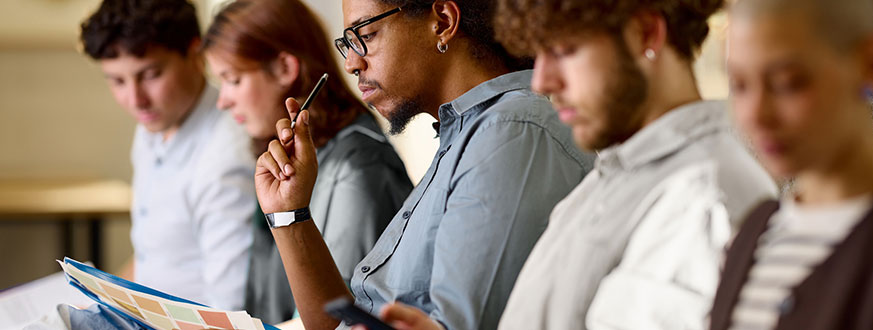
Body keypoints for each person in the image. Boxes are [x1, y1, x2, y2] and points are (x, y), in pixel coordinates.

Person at [357, 0, 781, 329]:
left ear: (645, 34)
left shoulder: (702, 201)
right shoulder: (609, 180)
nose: (543, 80)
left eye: (563, 50)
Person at [253, 0, 595, 328]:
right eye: (348, 44)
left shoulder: (510, 131)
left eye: (366, 35)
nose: (351, 64)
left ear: (442, 22)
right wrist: (289, 213)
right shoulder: (466, 139)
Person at [709, 0, 873, 329]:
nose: (756, 115)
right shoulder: (750, 238)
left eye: (788, 82)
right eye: (739, 85)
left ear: (871, 63)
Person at [202, 0, 413, 323]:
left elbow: (340, 320)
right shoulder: (283, 158)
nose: (223, 101)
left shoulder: (360, 168)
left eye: (233, 80)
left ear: (285, 69)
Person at [79, 0, 256, 310]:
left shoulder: (226, 157)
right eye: (118, 81)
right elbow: (154, 257)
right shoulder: (153, 128)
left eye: (151, 74)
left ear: (196, 54)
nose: (136, 100)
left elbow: (228, 309)